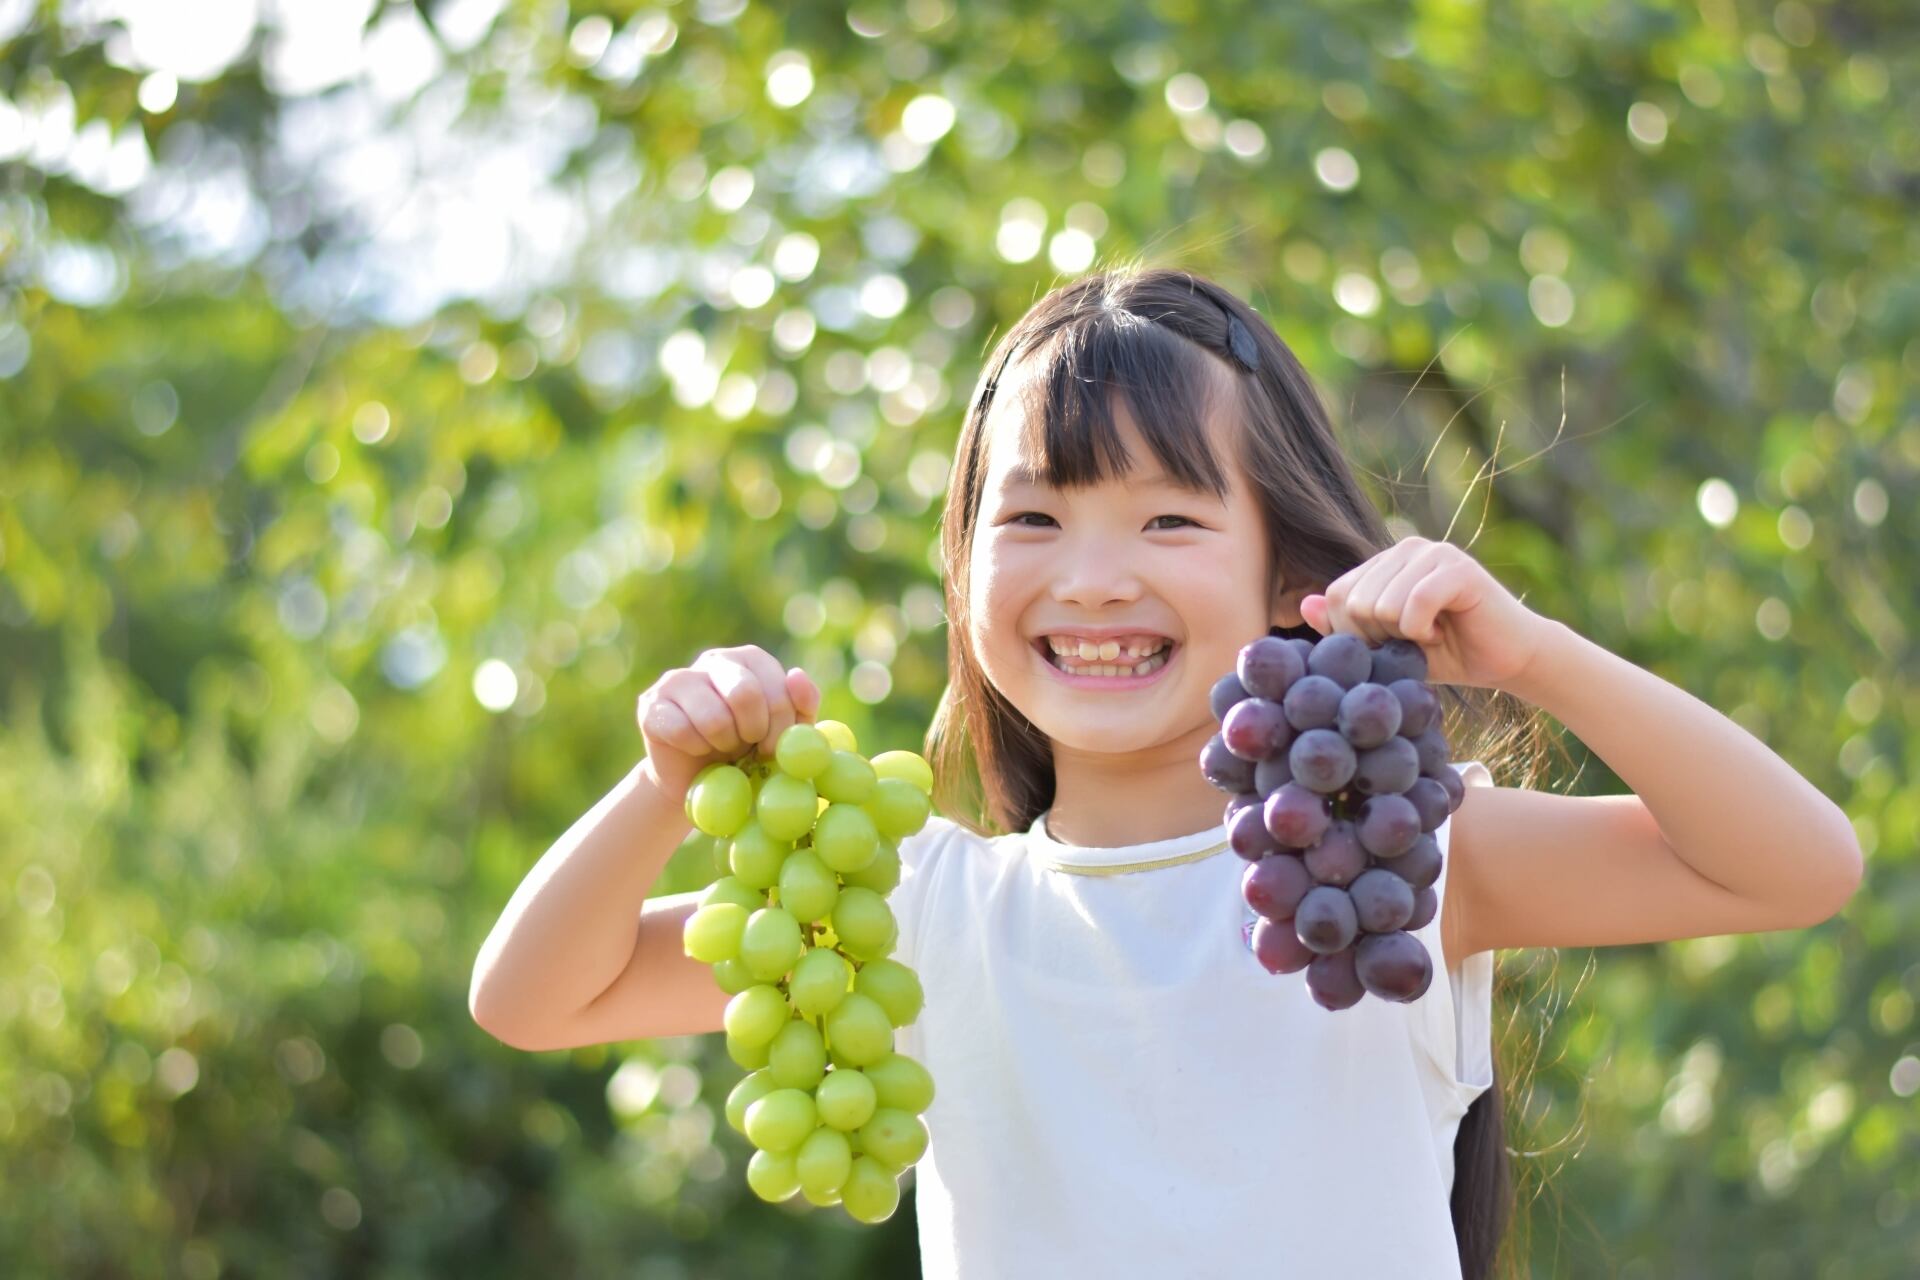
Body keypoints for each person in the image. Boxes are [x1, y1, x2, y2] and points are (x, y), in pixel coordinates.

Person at [468, 266, 1863, 1279]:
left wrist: (1537, 657)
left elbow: (1797, 867)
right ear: (962, 576)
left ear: (1291, 571)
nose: (1094, 577)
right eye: (1033, 517)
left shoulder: (1392, 866)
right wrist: (669, 782)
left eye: (1169, 517)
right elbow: (534, 997)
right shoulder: (913, 906)